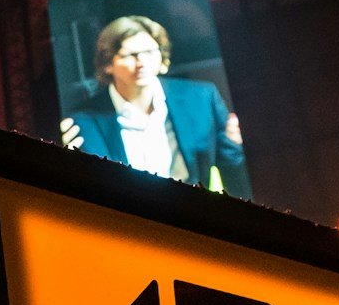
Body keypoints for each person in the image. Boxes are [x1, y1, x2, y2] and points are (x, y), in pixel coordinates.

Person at [60, 15, 244, 187]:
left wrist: (236, 142)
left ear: (161, 56)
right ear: (108, 64)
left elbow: (231, 164)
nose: (141, 62)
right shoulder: (84, 120)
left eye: (148, 52)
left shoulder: (201, 97)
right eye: (129, 55)